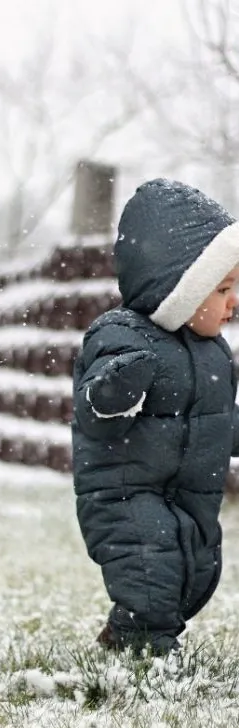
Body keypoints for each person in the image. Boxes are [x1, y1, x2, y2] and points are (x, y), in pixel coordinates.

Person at [72, 178, 239, 656]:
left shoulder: (212, 354)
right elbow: (96, 413)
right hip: (125, 491)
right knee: (151, 569)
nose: (233, 301)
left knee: (194, 569)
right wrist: (118, 386)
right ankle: (147, 651)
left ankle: (128, 633)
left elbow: (216, 421)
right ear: (179, 289)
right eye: (223, 288)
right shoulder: (121, 337)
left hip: (187, 494)